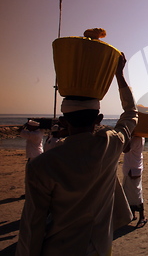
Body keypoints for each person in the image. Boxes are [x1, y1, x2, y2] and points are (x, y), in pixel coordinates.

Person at [16, 53, 138, 256]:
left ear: (64, 122)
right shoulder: (111, 143)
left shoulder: (41, 166)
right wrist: (119, 74)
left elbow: (32, 225)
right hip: (101, 246)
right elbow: (131, 113)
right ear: (98, 118)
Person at [123, 134, 147, 228]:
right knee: (129, 192)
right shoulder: (135, 137)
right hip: (131, 167)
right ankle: (132, 214)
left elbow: (125, 149)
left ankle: (142, 217)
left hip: (133, 168)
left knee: (136, 193)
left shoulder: (137, 138)